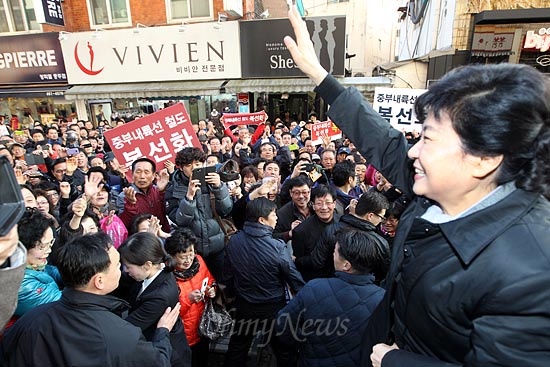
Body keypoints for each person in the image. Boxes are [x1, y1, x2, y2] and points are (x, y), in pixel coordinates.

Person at [285, 6, 550, 366]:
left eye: (428, 139)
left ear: (485, 158)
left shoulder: (532, 270)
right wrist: (319, 75)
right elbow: (385, 141)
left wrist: (397, 362)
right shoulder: (448, 187)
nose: (413, 150)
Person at [1, 232, 182, 366]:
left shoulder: (29, 321)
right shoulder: (120, 336)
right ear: (99, 281)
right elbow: (158, 362)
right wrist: (162, 332)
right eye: (119, 265)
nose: (123, 271)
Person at [276, 229, 386, 366]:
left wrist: (300, 344)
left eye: (335, 252)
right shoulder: (382, 299)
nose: (333, 255)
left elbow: (282, 324)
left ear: (346, 265)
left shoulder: (314, 288)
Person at [223, 197, 305, 367]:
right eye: (274, 215)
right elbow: (292, 275)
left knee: (238, 346)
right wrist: (304, 296)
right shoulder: (276, 246)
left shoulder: (234, 241)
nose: (277, 218)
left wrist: (230, 295)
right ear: (262, 220)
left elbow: (228, 274)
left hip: (244, 304)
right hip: (273, 307)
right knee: (283, 349)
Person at [118, 232, 192, 367]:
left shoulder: (160, 296)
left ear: (147, 265)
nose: (126, 271)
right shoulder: (151, 271)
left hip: (167, 355)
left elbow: (128, 328)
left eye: (128, 267)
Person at [165, 147, 232, 282]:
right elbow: (180, 220)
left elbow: (226, 210)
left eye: (198, 164)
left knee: (223, 281)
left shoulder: (212, 182)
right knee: (199, 283)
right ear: (180, 167)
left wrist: (219, 188)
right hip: (192, 249)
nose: (194, 168)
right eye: (189, 165)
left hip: (217, 245)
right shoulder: (173, 188)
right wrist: (189, 197)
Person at [164, 229, 216, 367]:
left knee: (202, 359)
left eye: (191, 254)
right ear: (172, 256)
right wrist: (188, 300)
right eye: (183, 257)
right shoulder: (167, 276)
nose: (188, 260)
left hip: (201, 326)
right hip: (183, 334)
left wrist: (211, 290)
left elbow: (209, 280)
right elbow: (168, 312)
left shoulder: (199, 261)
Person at [14, 208, 61, 317]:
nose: (49, 250)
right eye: (42, 246)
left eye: (51, 243)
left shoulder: (34, 265)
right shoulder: (22, 285)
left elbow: (56, 272)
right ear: (20, 247)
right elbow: (65, 305)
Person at [292, 184, 340, 281]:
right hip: (314, 281)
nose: (324, 207)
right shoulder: (301, 231)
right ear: (313, 206)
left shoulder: (342, 223)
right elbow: (298, 262)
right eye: (319, 203)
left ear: (334, 204)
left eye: (328, 203)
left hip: (339, 279)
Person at [117, 157, 171, 233]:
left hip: (164, 235)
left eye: (146, 172)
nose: (142, 176)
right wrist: (131, 204)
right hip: (141, 239)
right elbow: (124, 225)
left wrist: (162, 192)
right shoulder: (125, 196)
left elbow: (169, 212)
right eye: (138, 172)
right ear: (132, 175)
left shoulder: (158, 190)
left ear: (153, 176)